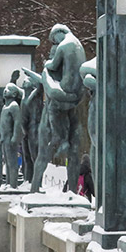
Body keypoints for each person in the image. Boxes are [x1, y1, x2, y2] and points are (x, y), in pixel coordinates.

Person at [26, 24, 86, 193]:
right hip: (74, 99)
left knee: (49, 152)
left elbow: (50, 84)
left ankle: (37, 188)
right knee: (70, 152)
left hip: (61, 103)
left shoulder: (52, 71)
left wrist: (46, 71)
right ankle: (67, 191)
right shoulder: (77, 46)